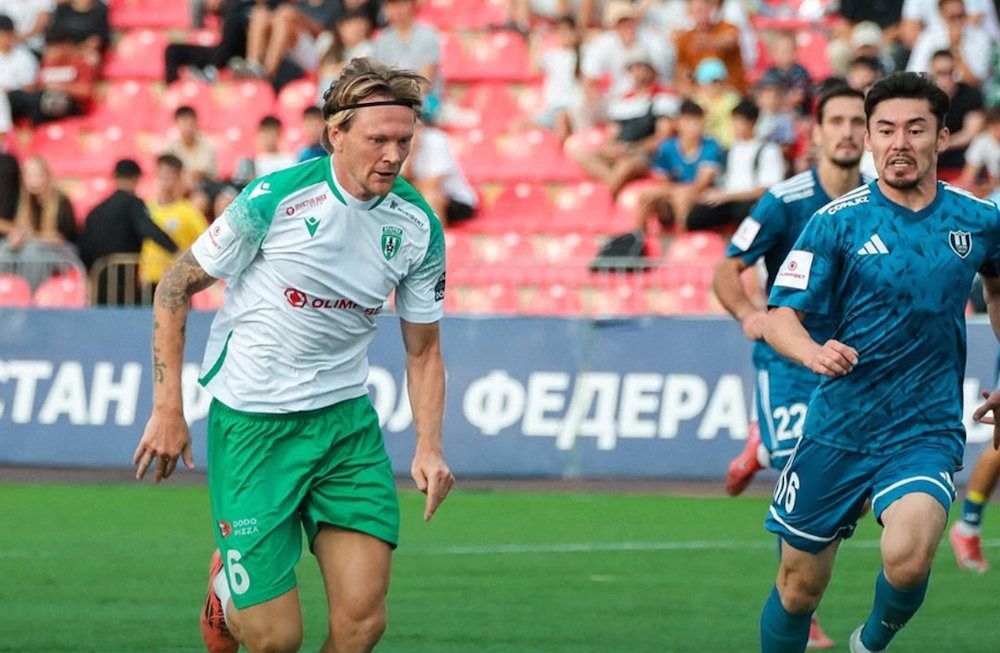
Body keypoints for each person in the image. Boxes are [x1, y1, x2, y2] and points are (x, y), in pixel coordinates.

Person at [132, 57, 454, 653]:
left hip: (344, 428)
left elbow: (425, 349)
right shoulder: (273, 199)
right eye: (378, 140)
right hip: (253, 426)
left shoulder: (417, 226)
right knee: (277, 641)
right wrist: (168, 409)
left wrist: (429, 446)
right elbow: (174, 286)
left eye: (404, 142)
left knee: (362, 626)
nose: (393, 155)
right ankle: (225, 592)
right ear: (336, 134)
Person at [759, 71, 1000, 653]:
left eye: (915, 129)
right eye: (886, 130)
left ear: (942, 137)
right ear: (868, 139)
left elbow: (997, 290)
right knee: (798, 589)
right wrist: (814, 352)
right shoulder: (835, 222)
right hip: (839, 427)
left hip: (925, 427)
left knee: (910, 558)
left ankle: (867, 645)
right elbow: (779, 317)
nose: (899, 142)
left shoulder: (979, 220)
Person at [714, 85, 870, 650]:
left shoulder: (879, 200)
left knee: (854, 492)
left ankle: (758, 449)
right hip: (788, 360)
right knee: (799, 473)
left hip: (848, 363)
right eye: (837, 121)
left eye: (857, 121)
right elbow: (727, 268)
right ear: (817, 132)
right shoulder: (785, 200)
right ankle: (802, 609)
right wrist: (749, 315)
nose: (848, 131)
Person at [78, 158, 179, 305]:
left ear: (115, 177)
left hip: (99, 283)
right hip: (125, 284)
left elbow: (84, 247)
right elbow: (149, 229)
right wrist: (175, 250)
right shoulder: (134, 204)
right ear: (136, 178)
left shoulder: (95, 212)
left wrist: (89, 274)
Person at [685, 97, 785, 233]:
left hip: (751, 200)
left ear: (751, 122)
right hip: (729, 199)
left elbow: (766, 189)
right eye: (733, 122)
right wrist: (716, 193)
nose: (733, 126)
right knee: (696, 217)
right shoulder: (732, 148)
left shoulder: (768, 150)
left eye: (738, 122)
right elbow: (724, 181)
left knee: (744, 213)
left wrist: (728, 196)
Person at [0, 155, 82, 289]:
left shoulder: (61, 201)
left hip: (63, 252)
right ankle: (7, 293)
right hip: (35, 246)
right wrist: (16, 238)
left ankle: (32, 295)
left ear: (46, 176)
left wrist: (29, 237)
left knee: (32, 252)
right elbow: (21, 231)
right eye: (28, 176)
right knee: (5, 248)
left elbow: (58, 239)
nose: (33, 180)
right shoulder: (23, 203)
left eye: (37, 175)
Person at [141, 154, 209, 288]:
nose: (165, 181)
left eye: (170, 176)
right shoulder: (146, 208)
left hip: (176, 281)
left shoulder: (189, 210)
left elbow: (205, 240)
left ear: (179, 178)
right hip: (149, 280)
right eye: (162, 175)